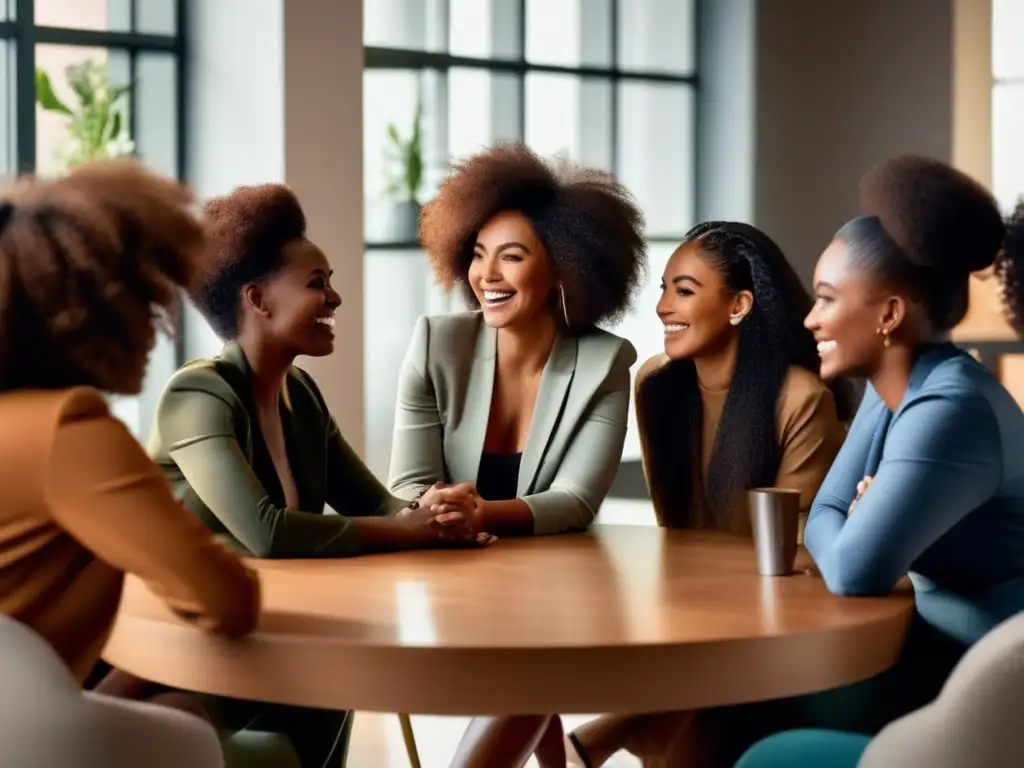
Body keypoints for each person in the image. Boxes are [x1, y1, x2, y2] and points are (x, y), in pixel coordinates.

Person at [147, 182, 494, 767]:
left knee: (344, 670)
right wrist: (411, 530)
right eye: (317, 284)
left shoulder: (299, 394)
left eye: (329, 281)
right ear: (257, 299)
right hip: (203, 653)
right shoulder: (197, 393)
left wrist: (440, 514)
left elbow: (380, 506)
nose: (335, 298)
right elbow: (269, 533)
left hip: (283, 634)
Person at [385, 143, 646, 767]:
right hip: (455, 573)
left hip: (555, 577)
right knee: (525, 671)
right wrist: (445, 508)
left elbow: (578, 500)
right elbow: (409, 482)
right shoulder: (435, 344)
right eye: (476, 255)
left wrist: (482, 514)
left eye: (511, 257)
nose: (487, 276)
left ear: (562, 269)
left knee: (529, 662)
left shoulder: (605, 361)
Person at [561, 222, 854, 768]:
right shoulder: (655, 386)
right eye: (664, 289)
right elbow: (678, 534)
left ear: (740, 305)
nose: (663, 307)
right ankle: (629, 726)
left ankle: (620, 727)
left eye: (685, 291)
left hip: (779, 624)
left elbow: (797, 558)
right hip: (694, 616)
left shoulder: (800, 399)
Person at [0, 160, 260, 764]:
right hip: (28, 742)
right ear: (92, 312)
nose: (159, 328)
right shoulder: (70, 429)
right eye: (146, 303)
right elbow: (226, 602)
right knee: (195, 720)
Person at [792, 156, 1024, 729]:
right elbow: (824, 512)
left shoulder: (950, 408)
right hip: (935, 641)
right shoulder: (892, 388)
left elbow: (850, 572)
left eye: (826, 298)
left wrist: (862, 527)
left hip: (988, 682)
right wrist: (859, 520)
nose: (809, 320)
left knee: (743, 705)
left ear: (890, 314)